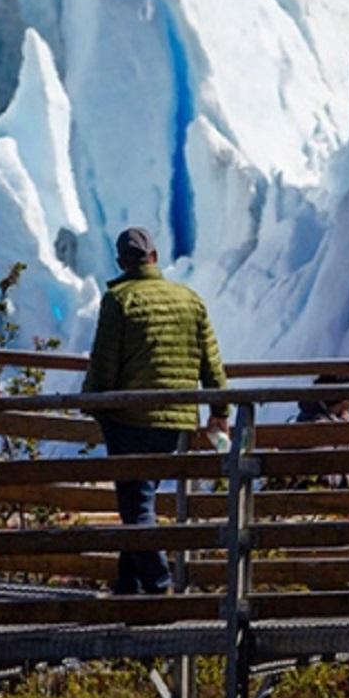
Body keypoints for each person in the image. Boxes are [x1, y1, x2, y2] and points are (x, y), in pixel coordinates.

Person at [82, 227, 229, 595]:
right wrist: (219, 411)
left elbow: (104, 362)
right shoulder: (189, 299)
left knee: (137, 507)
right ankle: (127, 589)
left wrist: (93, 403)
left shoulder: (119, 300)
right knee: (140, 501)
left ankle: (159, 584)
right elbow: (212, 364)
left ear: (121, 262)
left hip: (130, 419)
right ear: (156, 256)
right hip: (177, 421)